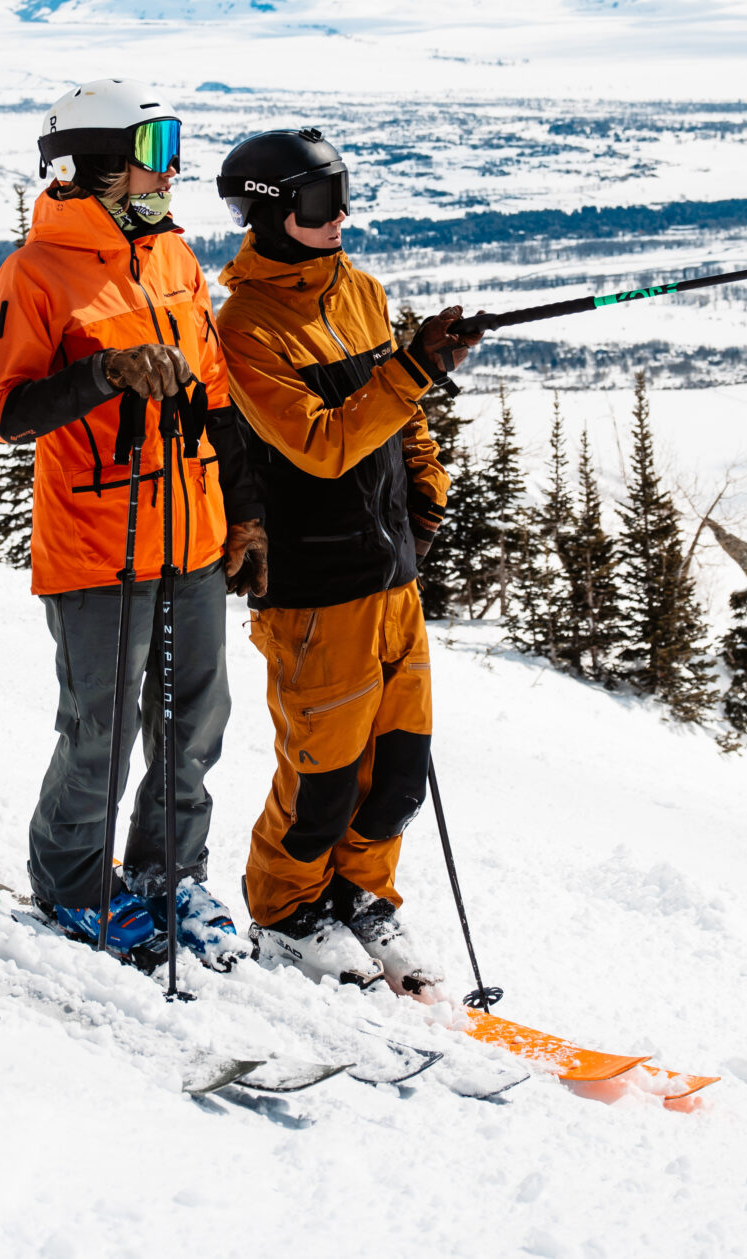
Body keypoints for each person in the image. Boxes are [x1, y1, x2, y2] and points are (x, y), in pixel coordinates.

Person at [0, 80, 269, 966]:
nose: (170, 169)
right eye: (152, 150)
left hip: (192, 532)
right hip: (98, 541)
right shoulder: (36, 271)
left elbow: (216, 397)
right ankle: (72, 884)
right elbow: (5, 412)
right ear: (97, 162)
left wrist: (246, 516)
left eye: (171, 145)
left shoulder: (174, 257)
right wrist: (104, 374)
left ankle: (166, 872)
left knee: (194, 722)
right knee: (99, 731)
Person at [211, 128, 480, 993]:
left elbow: (402, 416)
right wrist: (412, 368)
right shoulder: (246, 326)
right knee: (321, 780)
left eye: (344, 195)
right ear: (269, 212)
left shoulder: (360, 290)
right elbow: (322, 444)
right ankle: (288, 912)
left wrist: (426, 487)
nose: (340, 217)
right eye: (321, 202)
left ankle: (360, 896)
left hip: (390, 575)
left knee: (397, 772)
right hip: (316, 588)